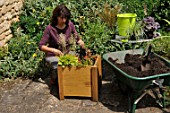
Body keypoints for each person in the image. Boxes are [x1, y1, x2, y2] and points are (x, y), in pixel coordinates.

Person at [39, 4, 85, 85]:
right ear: (56, 16)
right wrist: (53, 50)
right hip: (53, 55)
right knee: (59, 66)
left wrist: (80, 42)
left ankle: (68, 81)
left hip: (67, 53)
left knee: (76, 63)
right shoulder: (50, 28)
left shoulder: (69, 25)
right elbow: (41, 46)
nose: (64, 20)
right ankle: (55, 78)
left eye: (66, 18)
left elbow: (76, 37)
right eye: (62, 18)